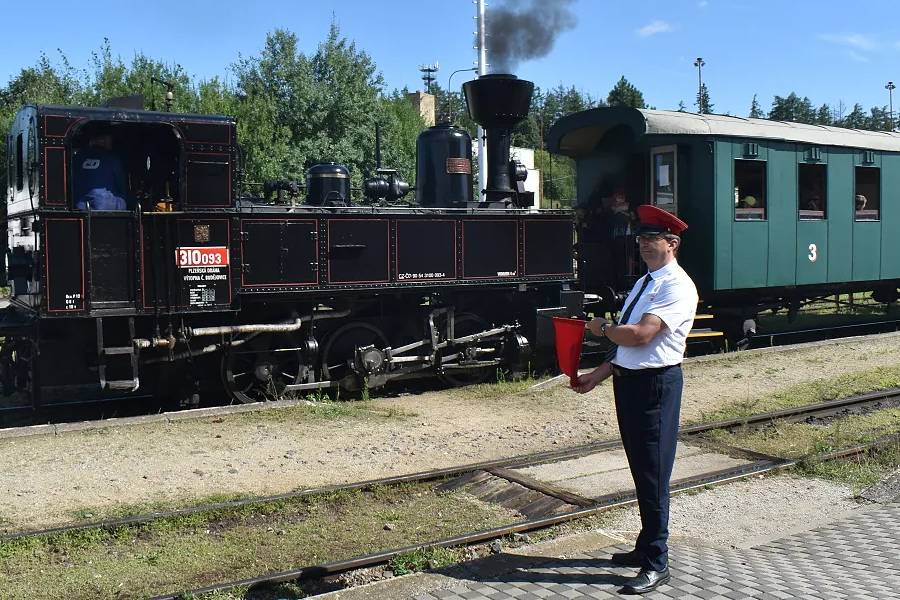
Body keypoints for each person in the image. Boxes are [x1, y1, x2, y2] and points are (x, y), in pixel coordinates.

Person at [573, 204, 698, 595]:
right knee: (641, 467)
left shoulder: (676, 286)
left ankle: (657, 562)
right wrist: (597, 374)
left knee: (654, 473)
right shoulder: (647, 282)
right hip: (629, 382)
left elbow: (640, 336)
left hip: (655, 387)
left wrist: (601, 328)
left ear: (672, 244)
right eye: (641, 239)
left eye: (652, 239)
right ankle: (646, 546)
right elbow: (628, 348)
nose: (644, 245)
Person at [73, 132, 128, 211]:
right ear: (103, 140)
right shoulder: (112, 159)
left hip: (80, 206)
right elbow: (122, 187)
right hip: (107, 206)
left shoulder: (76, 158)